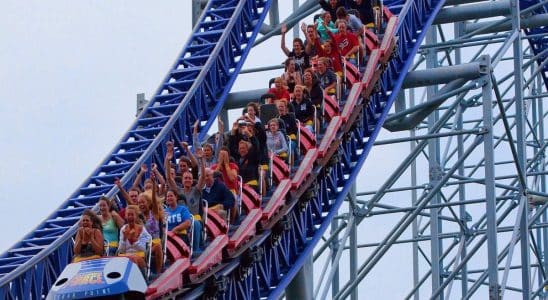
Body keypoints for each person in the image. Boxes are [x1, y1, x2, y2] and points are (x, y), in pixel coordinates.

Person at [137, 178, 164, 274]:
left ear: (148, 203)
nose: (141, 204)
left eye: (143, 202)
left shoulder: (155, 214)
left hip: (155, 242)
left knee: (157, 245)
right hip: (144, 245)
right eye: (139, 203)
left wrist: (153, 183)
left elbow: (154, 201)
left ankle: (158, 272)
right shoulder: (139, 218)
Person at [164, 189, 202, 254]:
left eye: (171, 196)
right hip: (167, 237)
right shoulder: (164, 211)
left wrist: (176, 228)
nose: (169, 198)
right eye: (167, 196)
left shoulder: (182, 209)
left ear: (176, 197)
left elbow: (188, 222)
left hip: (180, 235)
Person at [118, 205, 152, 270]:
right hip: (127, 257)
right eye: (128, 215)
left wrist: (134, 241)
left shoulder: (142, 229)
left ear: (136, 216)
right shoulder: (123, 229)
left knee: (133, 259)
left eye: (132, 215)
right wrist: (124, 239)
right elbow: (121, 250)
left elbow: (144, 249)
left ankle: (143, 277)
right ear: (125, 216)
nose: (130, 217)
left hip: (140, 257)